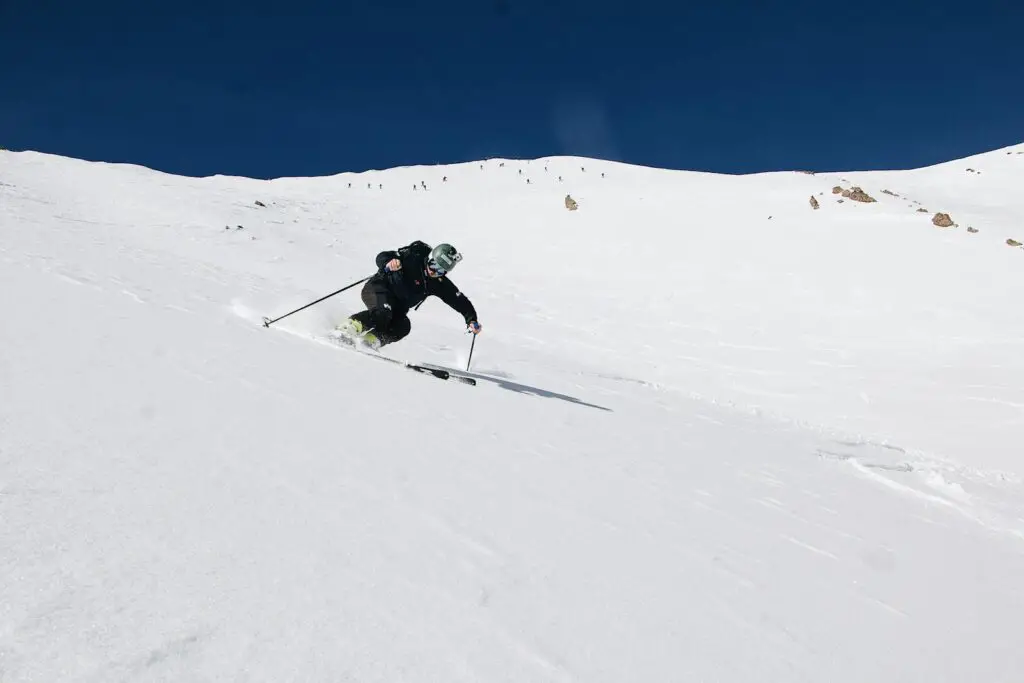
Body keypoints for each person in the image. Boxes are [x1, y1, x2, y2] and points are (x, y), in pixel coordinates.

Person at [337, 241, 482, 349]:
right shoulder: (413, 258)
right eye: (434, 265)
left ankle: (370, 341)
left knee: (403, 326)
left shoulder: (437, 282)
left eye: (441, 270)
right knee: (383, 313)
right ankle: (347, 329)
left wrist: (471, 319)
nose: (434, 272)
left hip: (397, 306)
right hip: (378, 289)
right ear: (429, 258)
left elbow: (458, 300)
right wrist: (389, 262)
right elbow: (382, 256)